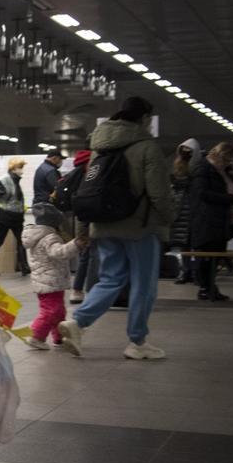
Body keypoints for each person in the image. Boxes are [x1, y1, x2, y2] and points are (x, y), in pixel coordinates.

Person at [58, 96, 173, 360]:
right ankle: (137, 342)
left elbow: (90, 188)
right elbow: (159, 193)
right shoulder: (147, 147)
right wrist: (168, 218)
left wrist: (83, 229)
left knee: (110, 278)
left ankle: (78, 323)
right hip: (140, 227)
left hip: (105, 224)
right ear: (144, 119)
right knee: (143, 285)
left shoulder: (99, 147)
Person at [22, 202, 86, 349]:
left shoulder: (38, 235)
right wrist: (75, 245)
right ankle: (36, 336)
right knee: (51, 311)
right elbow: (58, 253)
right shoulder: (50, 237)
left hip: (49, 280)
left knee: (58, 311)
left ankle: (59, 337)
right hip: (49, 281)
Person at [190, 142, 233, 301]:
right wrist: (229, 199)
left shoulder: (223, 172)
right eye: (227, 160)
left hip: (220, 220)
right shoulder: (203, 170)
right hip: (207, 220)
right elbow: (202, 194)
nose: (229, 163)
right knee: (206, 256)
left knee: (214, 256)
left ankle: (209, 287)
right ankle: (206, 288)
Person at [0, 158, 30, 276]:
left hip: (16, 216)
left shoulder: (16, 180)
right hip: (6, 215)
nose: (21, 170)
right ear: (13, 169)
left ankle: (24, 265)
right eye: (20, 168)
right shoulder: (4, 180)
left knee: (21, 241)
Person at [170, 139, 200, 285]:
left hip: (193, 209)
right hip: (182, 209)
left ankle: (194, 272)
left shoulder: (199, 169)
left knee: (195, 244)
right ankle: (187, 271)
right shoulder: (179, 167)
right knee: (184, 244)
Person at [68, 149, 93, 303]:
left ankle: (77, 290)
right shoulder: (87, 175)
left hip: (80, 218)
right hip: (89, 219)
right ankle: (84, 290)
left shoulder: (75, 174)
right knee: (88, 255)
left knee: (85, 255)